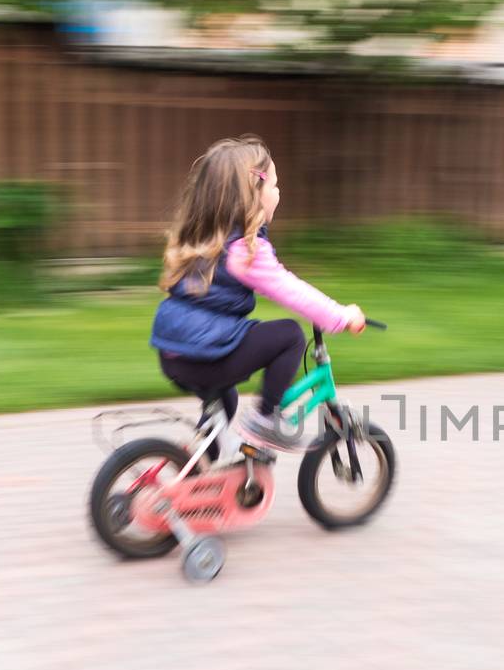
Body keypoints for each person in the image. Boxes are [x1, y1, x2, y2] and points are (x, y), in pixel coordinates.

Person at [150, 135, 365, 452]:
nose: (279, 192)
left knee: (225, 404)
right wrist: (340, 316)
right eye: (274, 185)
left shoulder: (205, 238)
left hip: (175, 353)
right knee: (289, 335)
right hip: (203, 352)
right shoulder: (244, 251)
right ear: (253, 194)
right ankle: (265, 421)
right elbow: (290, 290)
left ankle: (196, 462)